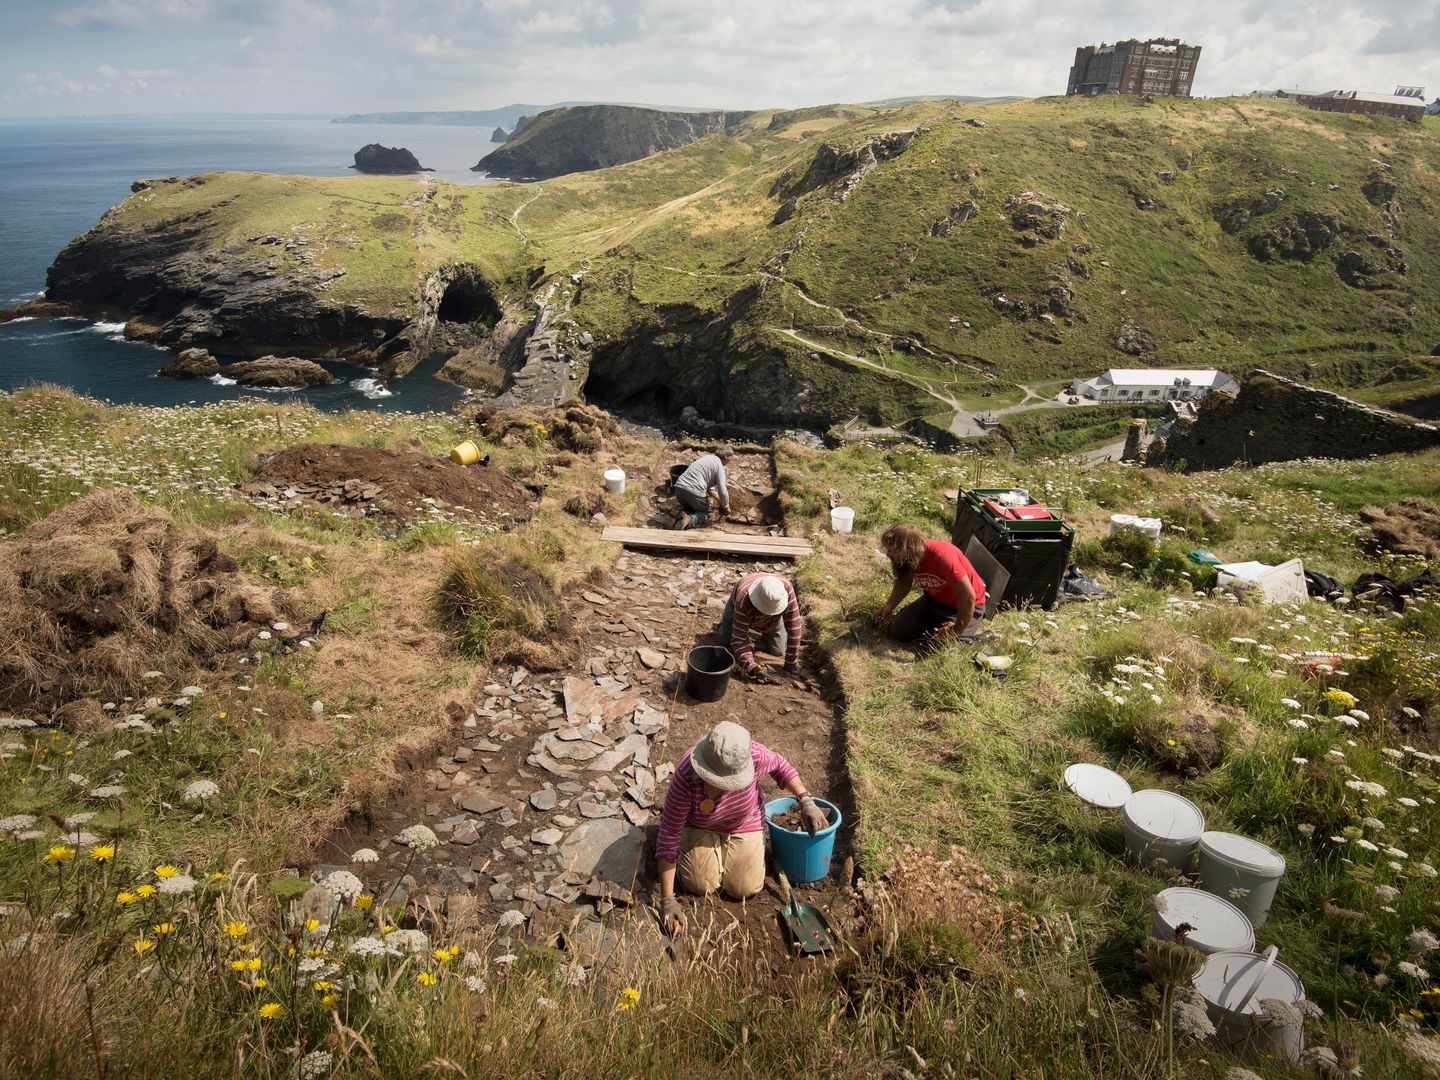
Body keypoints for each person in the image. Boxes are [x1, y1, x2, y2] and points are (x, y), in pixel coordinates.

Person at [656, 721, 827, 936]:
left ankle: (727, 852)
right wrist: (667, 899)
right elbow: (669, 836)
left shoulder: (752, 755)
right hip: (700, 826)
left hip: (744, 823)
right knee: (700, 885)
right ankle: (711, 851)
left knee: (744, 888)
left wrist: (805, 799)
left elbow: (781, 766)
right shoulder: (685, 775)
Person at [871, 522, 987, 643]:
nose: (888, 554)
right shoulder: (906, 557)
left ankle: (979, 639)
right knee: (899, 631)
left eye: (893, 551)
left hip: (964, 606)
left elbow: (967, 598)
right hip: (934, 602)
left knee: (942, 646)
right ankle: (936, 626)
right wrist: (889, 606)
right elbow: (904, 580)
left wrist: (957, 628)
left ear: (910, 548)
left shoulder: (942, 557)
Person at [715, 573, 803, 682]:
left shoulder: (786, 590)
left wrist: (791, 663)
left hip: (773, 621)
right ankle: (726, 624)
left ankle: (762, 632)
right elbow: (739, 638)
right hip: (740, 609)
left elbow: (794, 626)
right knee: (724, 642)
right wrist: (750, 666)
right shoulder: (743, 598)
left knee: (779, 651)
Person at [671, 445, 734, 529]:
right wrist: (726, 506)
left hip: (679, 488)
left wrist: (718, 499)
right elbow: (722, 490)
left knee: (692, 511)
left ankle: (676, 518)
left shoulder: (706, 459)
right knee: (707, 515)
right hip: (693, 490)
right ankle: (687, 521)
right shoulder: (719, 465)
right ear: (727, 458)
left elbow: (709, 486)